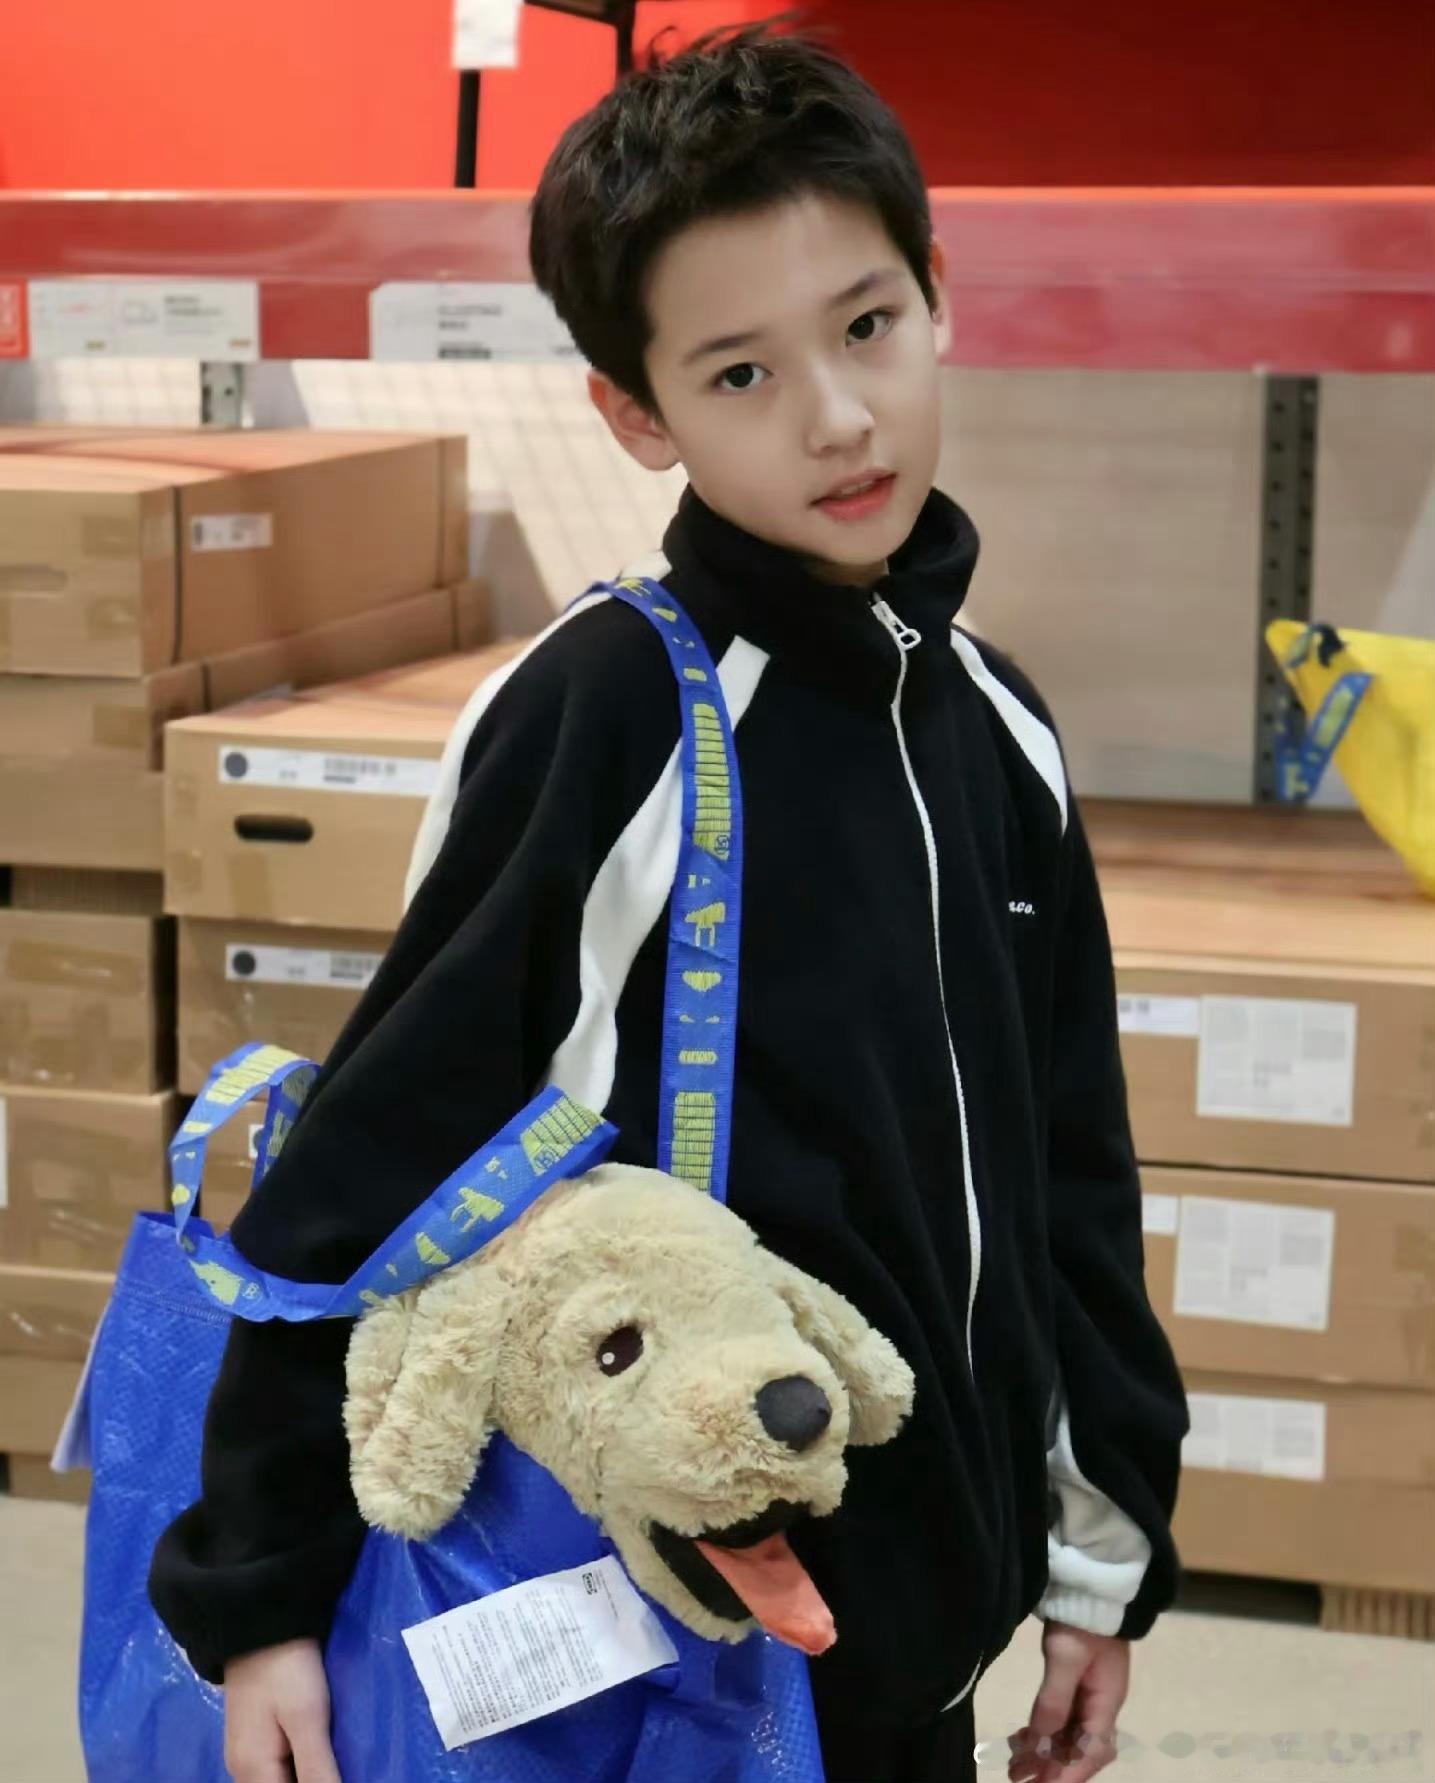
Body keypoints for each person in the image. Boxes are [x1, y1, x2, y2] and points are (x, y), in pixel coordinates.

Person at [150, 26, 1188, 1783]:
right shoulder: (618, 714)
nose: (837, 416)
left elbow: (1066, 1170)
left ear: (937, 291)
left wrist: (1100, 1559)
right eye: (740, 372)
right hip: (653, 1652)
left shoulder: (995, 725)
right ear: (637, 414)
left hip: (917, 1628)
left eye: (867, 326)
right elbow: (380, 1163)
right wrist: (264, 1596)